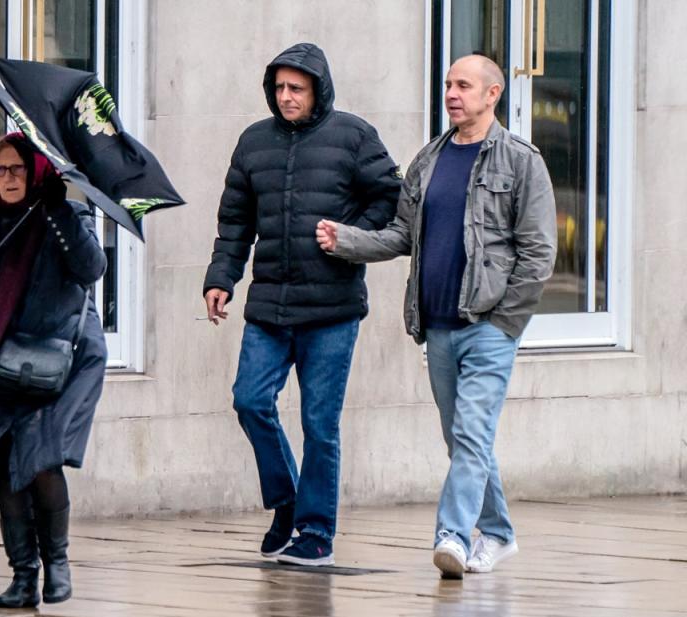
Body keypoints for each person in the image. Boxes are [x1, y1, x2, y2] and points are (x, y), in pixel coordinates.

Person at [315, 54, 557, 578]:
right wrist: (348, 240)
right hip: (438, 327)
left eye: (464, 85)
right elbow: (404, 235)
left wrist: (505, 321)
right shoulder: (428, 159)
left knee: (471, 435)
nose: (452, 93)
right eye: (448, 83)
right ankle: (498, 533)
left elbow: (539, 252)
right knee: (462, 438)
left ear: (492, 94)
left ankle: (452, 534)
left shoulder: (520, 161)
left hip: (489, 326)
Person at [203, 43, 401, 566]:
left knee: (319, 423)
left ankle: (316, 533)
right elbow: (234, 224)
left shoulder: (353, 136)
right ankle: (287, 499)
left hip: (332, 309)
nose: (286, 97)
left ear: (318, 89)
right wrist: (221, 278)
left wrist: (353, 235)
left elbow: (391, 197)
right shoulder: (252, 143)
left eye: (297, 88)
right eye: (279, 88)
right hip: (268, 306)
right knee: (249, 401)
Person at [0, 132, 108, 607]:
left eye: (17, 169)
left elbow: (91, 268)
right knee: (8, 465)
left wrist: (57, 211)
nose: (8, 178)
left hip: (63, 360)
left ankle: (59, 564)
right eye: (1, 170)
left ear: (37, 173)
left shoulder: (68, 215)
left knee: (41, 459)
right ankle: (23, 576)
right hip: (4, 357)